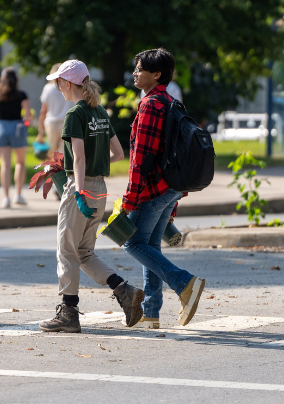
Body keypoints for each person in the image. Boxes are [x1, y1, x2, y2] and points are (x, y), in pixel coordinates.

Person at [38, 59, 143, 333]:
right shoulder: (99, 112)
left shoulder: (75, 114)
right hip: (100, 188)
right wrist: (94, 174)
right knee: (84, 251)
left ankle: (68, 312)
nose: (58, 87)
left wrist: (80, 189)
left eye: (59, 82)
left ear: (69, 83)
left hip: (80, 188)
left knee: (66, 249)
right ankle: (124, 291)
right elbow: (119, 154)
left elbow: (80, 158)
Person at [122, 48, 205, 328]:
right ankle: (150, 313)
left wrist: (129, 200)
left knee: (132, 242)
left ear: (156, 74)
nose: (135, 73)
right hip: (170, 187)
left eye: (140, 69)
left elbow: (141, 159)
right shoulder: (169, 101)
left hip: (153, 190)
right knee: (151, 246)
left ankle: (184, 283)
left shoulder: (150, 105)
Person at [0, 67, 30, 208]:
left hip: (1, 127)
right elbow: (28, 114)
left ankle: (6, 198)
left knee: (5, 164)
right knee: (20, 163)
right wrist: (26, 123)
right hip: (17, 127)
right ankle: (18, 195)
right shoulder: (21, 94)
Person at [38, 63, 72, 156]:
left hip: (51, 123)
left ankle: (53, 171)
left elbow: (43, 111)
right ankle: (64, 170)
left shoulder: (48, 88)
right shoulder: (69, 86)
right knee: (64, 153)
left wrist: (40, 132)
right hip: (67, 122)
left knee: (52, 154)